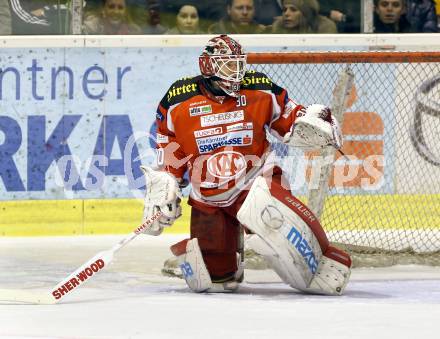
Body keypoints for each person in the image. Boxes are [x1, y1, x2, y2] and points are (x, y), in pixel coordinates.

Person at [141, 34, 352, 295]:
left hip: (257, 182)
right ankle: (227, 263)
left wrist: (311, 120)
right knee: (219, 280)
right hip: (208, 196)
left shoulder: (259, 87)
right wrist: (167, 185)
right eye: (229, 65)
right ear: (208, 66)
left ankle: (321, 260)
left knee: (281, 231)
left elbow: (289, 116)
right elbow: (169, 146)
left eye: (239, 63)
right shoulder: (177, 100)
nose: (237, 71)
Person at [272, 0, 337, 33]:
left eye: (293, 10)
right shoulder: (279, 26)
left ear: (306, 13)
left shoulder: (325, 27)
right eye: (284, 10)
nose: (286, 14)